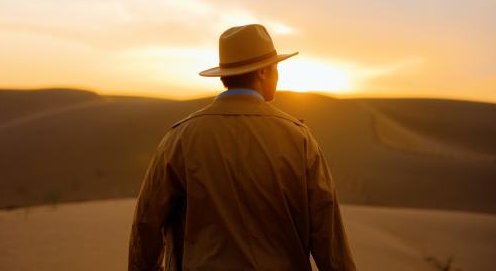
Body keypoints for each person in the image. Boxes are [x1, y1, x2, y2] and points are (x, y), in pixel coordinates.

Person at [128, 24, 356, 270]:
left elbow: (146, 224)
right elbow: (328, 237)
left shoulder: (180, 138)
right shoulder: (299, 140)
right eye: (275, 68)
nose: (278, 76)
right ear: (262, 73)